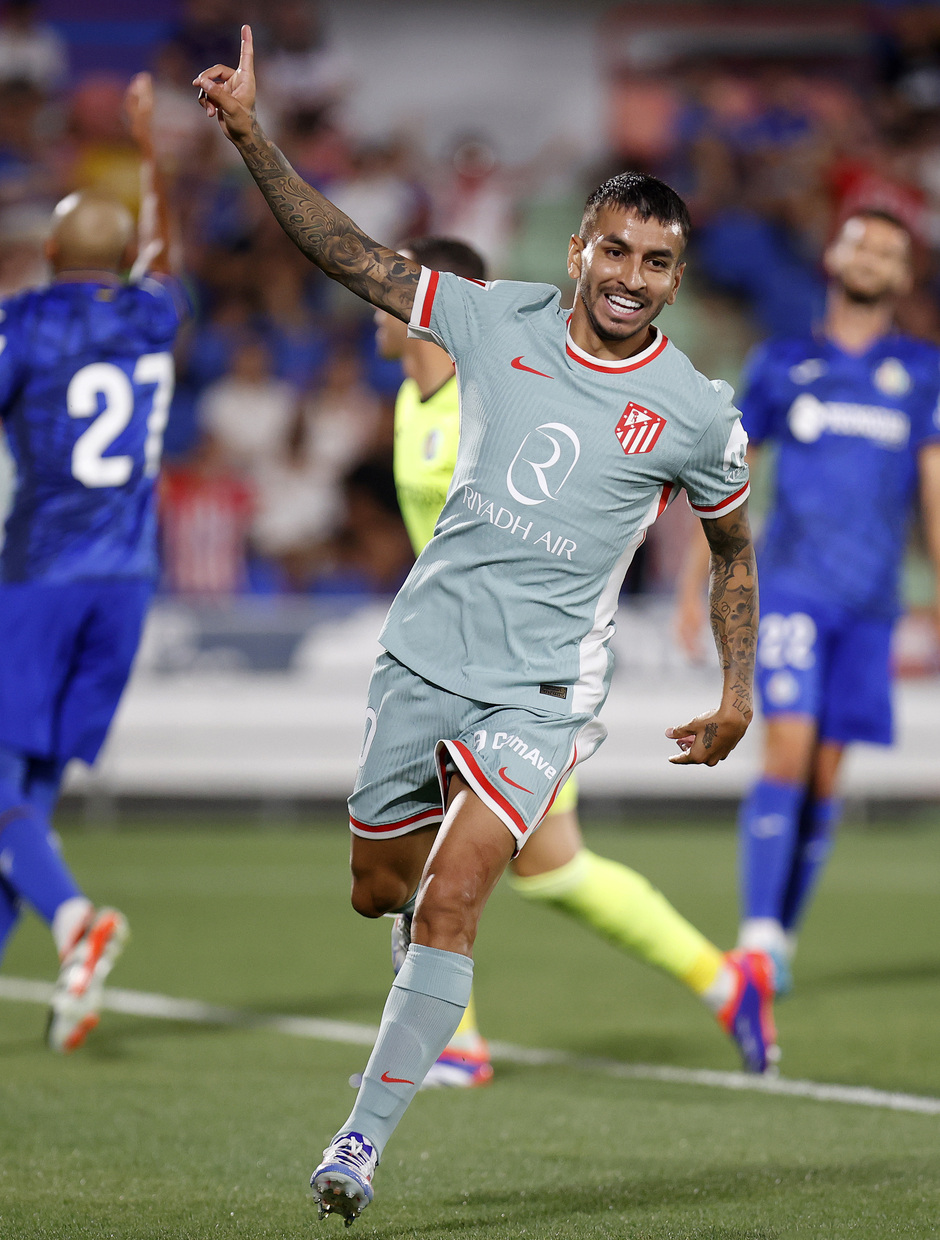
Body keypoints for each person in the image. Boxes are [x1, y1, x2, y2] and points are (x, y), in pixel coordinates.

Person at [195, 27, 772, 1225]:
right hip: (423, 659)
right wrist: (253, 135)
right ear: (576, 247)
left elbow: (730, 551)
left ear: (675, 276)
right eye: (614, 247)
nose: (631, 274)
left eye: (657, 260)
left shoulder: (697, 413)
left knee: (457, 899)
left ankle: (358, 1140)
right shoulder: (492, 315)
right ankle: (419, 964)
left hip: (543, 695)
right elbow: (348, 253)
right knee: (379, 891)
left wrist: (736, 691)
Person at [375, 231, 782, 1092]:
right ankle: (725, 982)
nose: (386, 295)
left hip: (528, 674)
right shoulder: (412, 403)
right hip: (456, 659)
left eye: (406, 276)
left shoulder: (486, 397)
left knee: (450, 851)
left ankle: (456, 1042)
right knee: (554, 870)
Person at [675, 209, 940, 994]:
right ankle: (756, 938)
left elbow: (933, 488)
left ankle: (778, 939)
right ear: (832, 253)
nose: (873, 257)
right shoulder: (784, 362)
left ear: (903, 276)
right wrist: (698, 582)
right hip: (791, 587)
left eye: (889, 250)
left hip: (872, 603)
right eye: (861, 240)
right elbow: (733, 476)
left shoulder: (921, 371)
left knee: (827, 777)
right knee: (786, 751)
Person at [0, 73, 187, 1051]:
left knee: (1, 786)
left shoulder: (24, 325)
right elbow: (159, 247)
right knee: (23, 788)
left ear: (42, 256)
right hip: (127, 581)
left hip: (40, 571)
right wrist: (150, 143)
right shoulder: (154, 314)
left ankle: (76, 921)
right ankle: (71, 973)